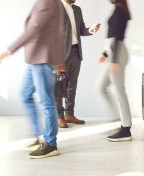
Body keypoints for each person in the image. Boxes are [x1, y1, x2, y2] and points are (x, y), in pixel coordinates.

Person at [0, 0, 64, 159]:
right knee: (25, 94)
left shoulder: (47, 1)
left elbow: (33, 29)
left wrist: (9, 50)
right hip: (36, 57)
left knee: (47, 102)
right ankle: (36, 135)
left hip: (42, 58)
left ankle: (50, 144)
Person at [56, 0, 101, 128]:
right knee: (59, 87)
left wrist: (91, 30)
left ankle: (69, 114)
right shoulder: (55, 8)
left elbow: (81, 30)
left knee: (72, 86)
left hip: (76, 52)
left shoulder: (77, 9)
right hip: (61, 55)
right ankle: (59, 117)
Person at [96, 0, 132, 142]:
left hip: (117, 55)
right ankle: (117, 119)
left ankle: (125, 128)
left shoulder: (119, 11)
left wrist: (114, 60)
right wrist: (105, 55)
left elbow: (116, 38)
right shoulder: (119, 9)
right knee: (100, 87)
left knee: (119, 91)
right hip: (113, 53)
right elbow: (113, 39)